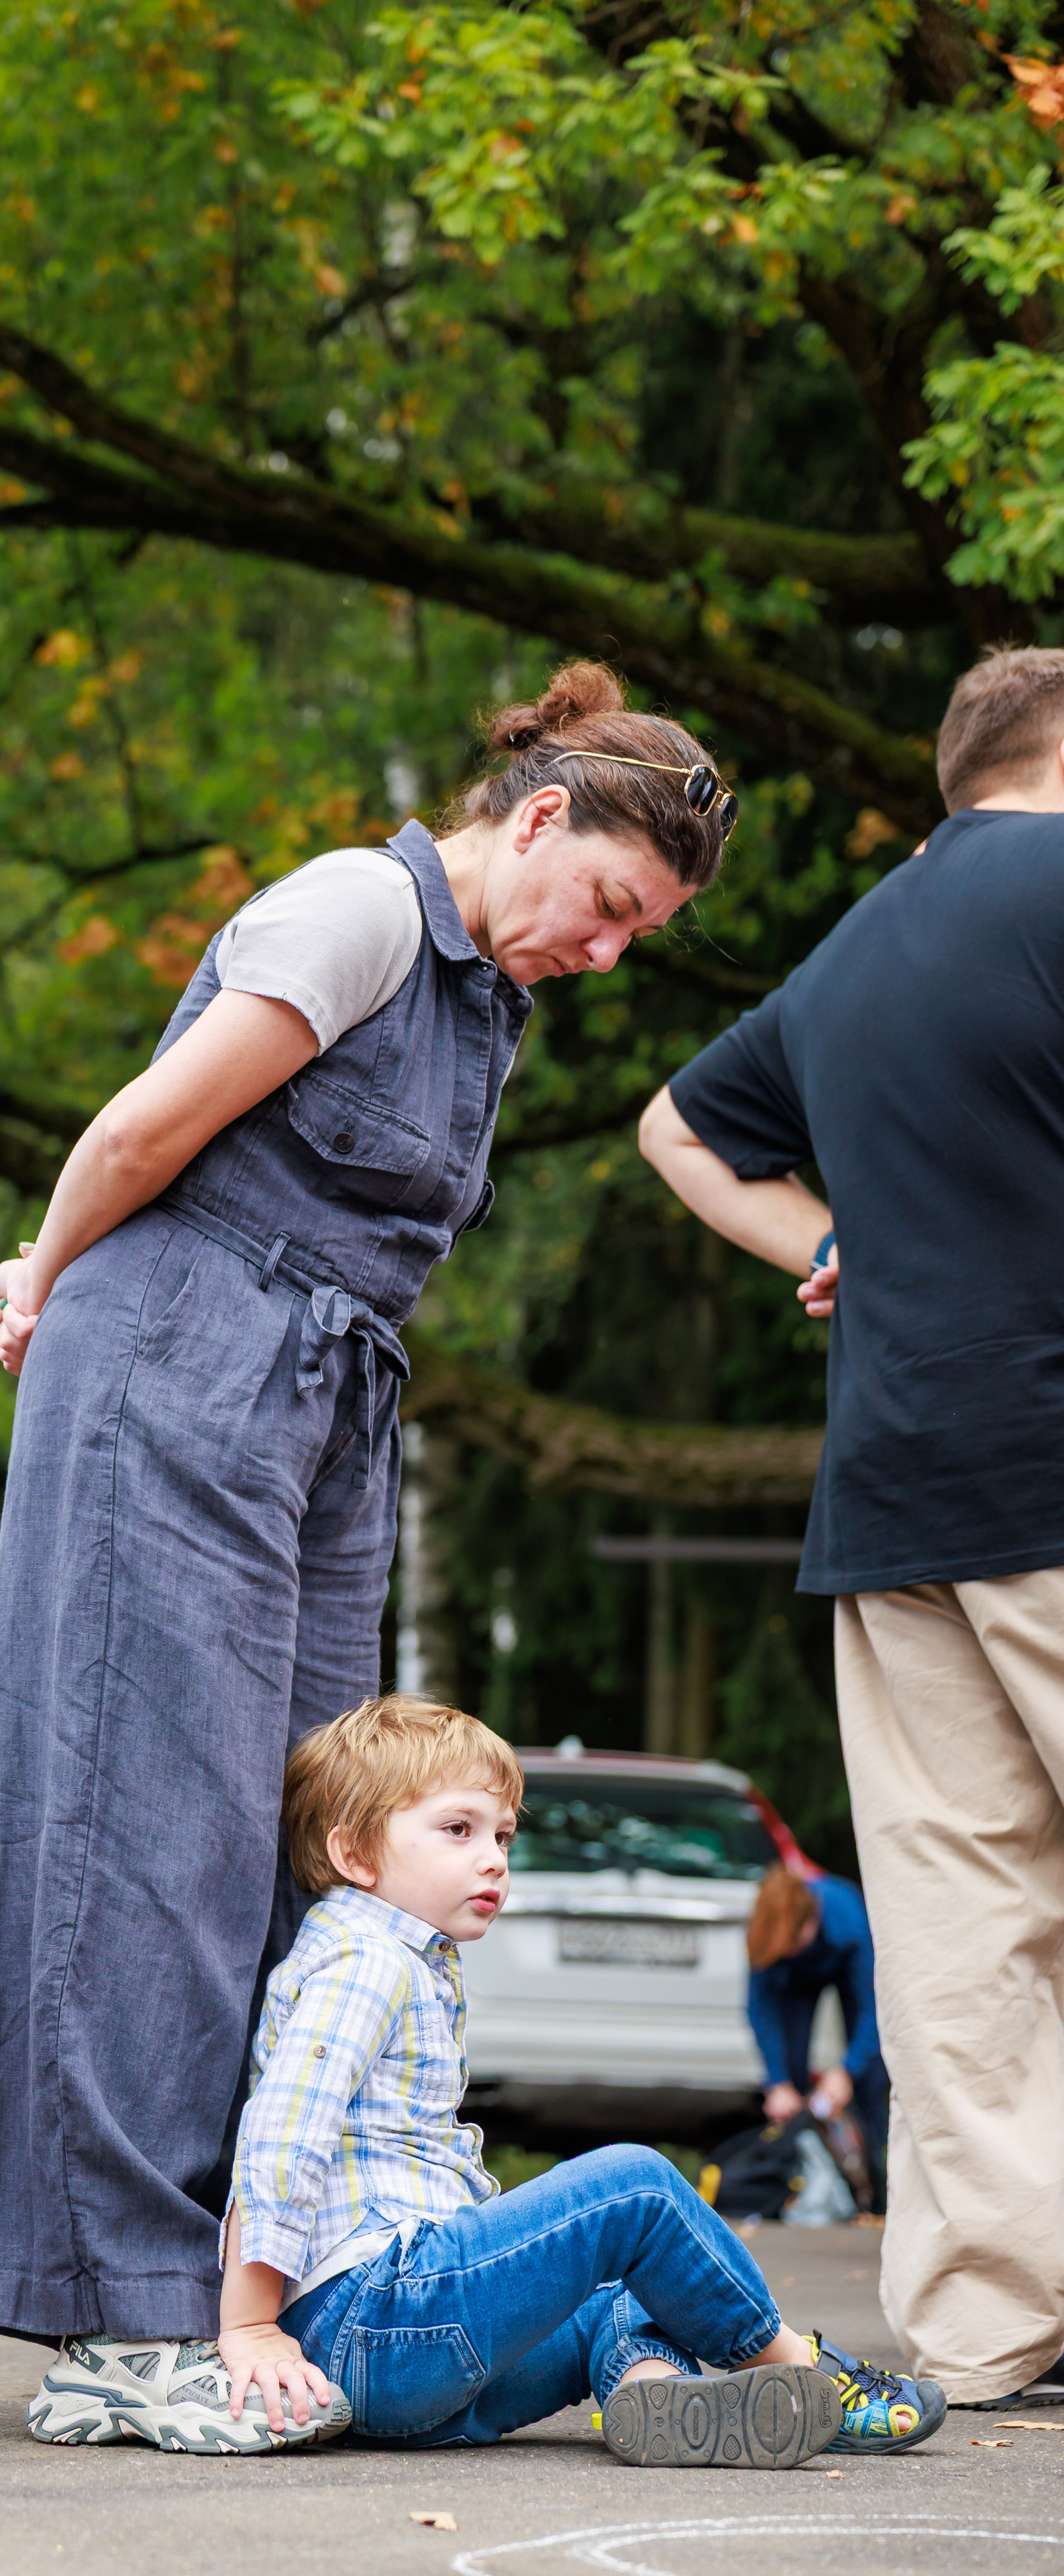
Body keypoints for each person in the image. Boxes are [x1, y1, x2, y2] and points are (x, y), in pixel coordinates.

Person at [0, 659, 743, 2446]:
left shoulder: (492, 998)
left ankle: (277, 2285)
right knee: (148, 1825)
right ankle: (120, 2323)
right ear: (539, 820)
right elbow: (147, 1125)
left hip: (329, 1397)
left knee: (314, 1828)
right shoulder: (365, 906)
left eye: (636, 940)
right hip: (178, 1351)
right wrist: (37, 1281)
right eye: (605, 907)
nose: (603, 954)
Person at [638, 643, 1064, 2408]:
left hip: (896, 1490)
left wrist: (835, 1244)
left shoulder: (864, 942)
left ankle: (986, 2327)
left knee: (967, 1923)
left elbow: (678, 1128)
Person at [192, 1695, 939, 2462]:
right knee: (637, 2187)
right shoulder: (363, 1962)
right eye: (458, 1830)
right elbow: (283, 2131)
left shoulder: (398, 1958)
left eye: (502, 1837)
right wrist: (250, 2324)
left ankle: (654, 2399)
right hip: (378, 2324)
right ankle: (804, 2372)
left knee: (641, 2291)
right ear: (355, 1856)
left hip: (422, 2370)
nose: (494, 1859)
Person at [745, 1863, 888, 2214]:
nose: (789, 1950)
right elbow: (761, 2011)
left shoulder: (847, 1919)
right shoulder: (771, 1937)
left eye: (794, 1943)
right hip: (796, 1982)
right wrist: (776, 2082)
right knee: (790, 2080)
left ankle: (874, 2189)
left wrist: (846, 2071)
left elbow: (874, 2008)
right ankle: (795, 2184)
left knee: (870, 2078)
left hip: (843, 1961)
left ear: (810, 1924)